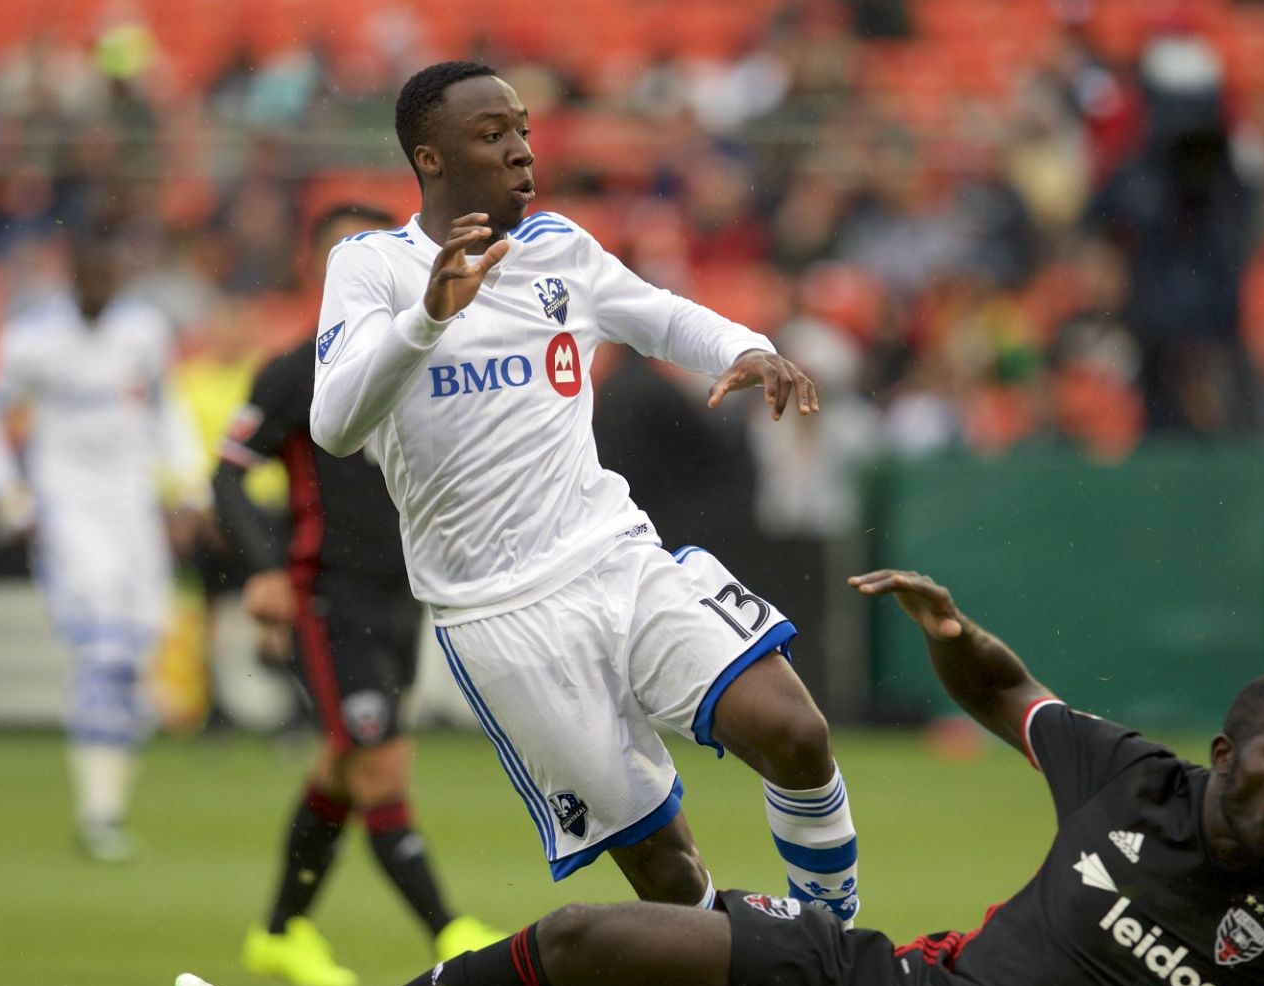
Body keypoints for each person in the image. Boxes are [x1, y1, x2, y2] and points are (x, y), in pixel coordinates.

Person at [172, 569, 1264, 986]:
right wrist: (954, 635)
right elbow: (1011, 697)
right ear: (1225, 756)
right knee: (586, 938)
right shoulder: (1132, 781)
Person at [306, 60, 860, 922]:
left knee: (795, 731)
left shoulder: (559, 248)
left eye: (523, 129)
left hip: (614, 557)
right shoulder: (373, 266)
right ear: (431, 159)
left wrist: (743, 349)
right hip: (499, 613)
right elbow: (335, 425)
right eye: (493, 136)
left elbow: (659, 313)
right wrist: (428, 316)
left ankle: (833, 944)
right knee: (671, 880)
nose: (522, 151)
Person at [213, 203, 506, 986]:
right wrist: (265, 569)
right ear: (321, 273)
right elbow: (229, 474)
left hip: (406, 594)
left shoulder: (435, 357)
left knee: (344, 765)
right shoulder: (295, 370)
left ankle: (278, 932)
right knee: (380, 764)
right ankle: (449, 931)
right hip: (327, 597)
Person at [0, 234, 211, 862]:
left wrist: (188, 487)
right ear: (70, 275)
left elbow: (165, 409)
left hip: (134, 514)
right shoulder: (32, 340)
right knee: (103, 655)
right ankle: (99, 818)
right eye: (88, 272)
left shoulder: (144, 332)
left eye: (109, 271)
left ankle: (107, 812)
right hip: (69, 514)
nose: (99, 283)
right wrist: (11, 498)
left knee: (133, 662)